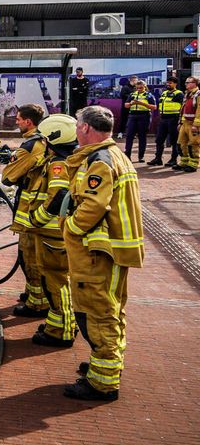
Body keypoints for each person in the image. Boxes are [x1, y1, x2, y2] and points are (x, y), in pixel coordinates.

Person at [60, 105, 144, 401]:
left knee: (98, 313)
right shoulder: (115, 155)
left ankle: (103, 383)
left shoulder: (99, 160)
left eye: (76, 126)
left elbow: (94, 205)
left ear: (84, 128)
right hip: (115, 251)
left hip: (99, 253)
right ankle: (105, 366)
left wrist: (70, 227)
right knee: (111, 310)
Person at [24, 113, 80, 349]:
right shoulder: (71, 158)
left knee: (56, 281)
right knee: (54, 280)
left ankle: (63, 330)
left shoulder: (58, 164)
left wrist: (38, 218)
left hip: (52, 233)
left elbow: (58, 197)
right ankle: (56, 324)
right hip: (55, 233)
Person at [0, 103, 50, 317]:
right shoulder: (44, 140)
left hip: (32, 210)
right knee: (31, 254)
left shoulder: (31, 145)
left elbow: (8, 177)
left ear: (28, 122)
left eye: (19, 119)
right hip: (38, 207)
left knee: (29, 255)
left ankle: (37, 303)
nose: (17, 122)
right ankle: (32, 293)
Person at [149, 76, 183, 166]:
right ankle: (158, 159)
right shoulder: (164, 93)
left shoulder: (179, 94)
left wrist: (180, 120)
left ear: (175, 84)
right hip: (163, 119)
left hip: (173, 119)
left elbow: (182, 108)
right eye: (167, 83)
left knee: (174, 140)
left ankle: (173, 159)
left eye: (170, 83)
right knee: (159, 140)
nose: (168, 84)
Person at [122, 79, 156, 162]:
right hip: (132, 116)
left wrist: (141, 103)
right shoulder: (132, 94)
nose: (139, 89)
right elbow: (126, 105)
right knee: (129, 136)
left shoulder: (148, 95)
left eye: (141, 88)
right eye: (137, 88)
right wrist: (131, 104)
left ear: (145, 87)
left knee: (142, 137)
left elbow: (154, 107)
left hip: (144, 116)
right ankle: (127, 155)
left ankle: (141, 156)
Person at [177, 76, 200, 172]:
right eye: (186, 82)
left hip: (193, 124)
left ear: (195, 83)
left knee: (193, 144)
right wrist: (180, 122)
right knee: (181, 143)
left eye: (188, 82)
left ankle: (193, 164)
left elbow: (199, 111)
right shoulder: (187, 94)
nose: (186, 84)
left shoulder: (198, 94)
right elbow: (183, 110)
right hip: (185, 123)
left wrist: (196, 125)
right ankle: (184, 162)